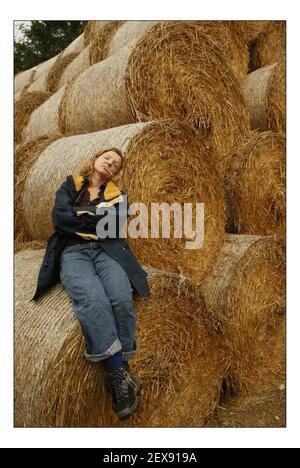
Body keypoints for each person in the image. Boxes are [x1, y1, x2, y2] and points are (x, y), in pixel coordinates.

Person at [31, 148, 150, 420]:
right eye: (107, 158)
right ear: (96, 159)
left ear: (116, 173)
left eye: (116, 164)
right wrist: (94, 218)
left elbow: (113, 225)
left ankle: (121, 364)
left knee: (121, 297)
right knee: (92, 300)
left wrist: (80, 216)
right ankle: (118, 374)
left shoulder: (119, 196)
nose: (110, 163)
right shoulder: (70, 184)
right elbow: (59, 218)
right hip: (73, 252)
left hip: (108, 251)